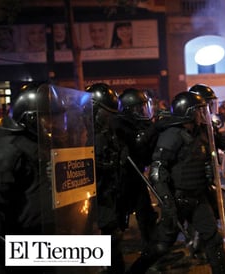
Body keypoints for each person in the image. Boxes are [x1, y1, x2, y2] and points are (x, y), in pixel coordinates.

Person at [126, 92, 225, 274]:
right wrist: (167, 201)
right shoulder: (172, 135)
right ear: (188, 112)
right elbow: (157, 170)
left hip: (198, 198)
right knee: (161, 245)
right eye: (198, 111)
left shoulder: (198, 133)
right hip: (177, 200)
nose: (202, 114)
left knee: (213, 240)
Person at [0, 83, 64, 274]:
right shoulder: (8, 150)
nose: (54, 125)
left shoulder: (43, 143)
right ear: (31, 119)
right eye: (48, 119)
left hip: (48, 241)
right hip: (21, 247)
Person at [85, 83, 125, 274]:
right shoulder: (83, 134)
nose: (110, 118)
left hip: (109, 194)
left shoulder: (107, 132)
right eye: (107, 113)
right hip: (95, 199)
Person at [113, 87, 158, 246]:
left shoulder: (139, 124)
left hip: (136, 177)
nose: (143, 111)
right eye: (139, 107)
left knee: (146, 214)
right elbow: (137, 145)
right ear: (129, 109)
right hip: (122, 181)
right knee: (117, 218)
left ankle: (152, 250)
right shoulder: (119, 126)